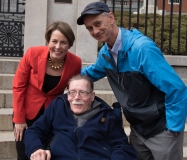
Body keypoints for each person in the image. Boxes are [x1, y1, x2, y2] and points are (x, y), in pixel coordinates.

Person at [77, 2, 187, 160]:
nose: (95, 31)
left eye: (98, 24)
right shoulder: (105, 54)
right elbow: (91, 73)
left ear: (111, 17)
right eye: (89, 28)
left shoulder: (142, 49)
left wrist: (173, 130)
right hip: (137, 131)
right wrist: (62, 69)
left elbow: (176, 88)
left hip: (162, 131)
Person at [23, 74, 137, 160]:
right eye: (72, 92)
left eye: (83, 92)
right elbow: (35, 130)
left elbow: (122, 146)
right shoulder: (58, 106)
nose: (76, 97)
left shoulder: (107, 115)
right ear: (67, 95)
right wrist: (36, 148)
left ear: (92, 96)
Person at [12, 21, 82, 160]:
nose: (58, 46)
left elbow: (73, 90)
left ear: (70, 44)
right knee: (25, 154)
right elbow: (18, 86)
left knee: (49, 153)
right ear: (48, 41)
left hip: (52, 114)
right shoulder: (33, 53)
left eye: (63, 42)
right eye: (54, 41)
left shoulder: (75, 62)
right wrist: (19, 120)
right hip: (26, 113)